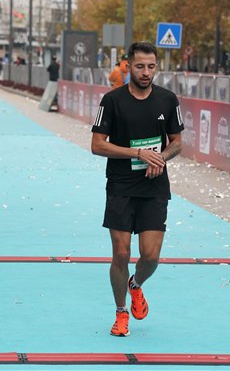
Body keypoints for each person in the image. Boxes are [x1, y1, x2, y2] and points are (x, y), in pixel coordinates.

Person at [91, 42, 184, 337]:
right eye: (140, 66)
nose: (146, 72)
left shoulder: (167, 100)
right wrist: (138, 154)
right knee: (121, 254)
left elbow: (177, 143)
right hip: (120, 185)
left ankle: (136, 285)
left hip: (154, 187)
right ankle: (121, 313)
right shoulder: (112, 100)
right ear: (128, 66)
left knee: (151, 256)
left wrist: (161, 158)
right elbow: (97, 145)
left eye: (151, 66)